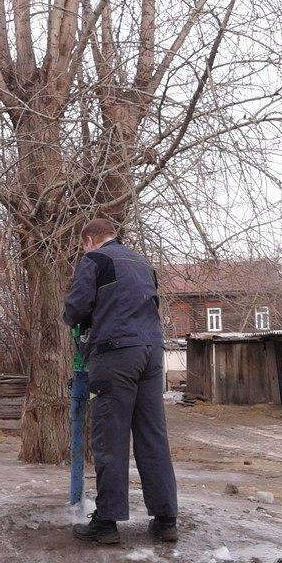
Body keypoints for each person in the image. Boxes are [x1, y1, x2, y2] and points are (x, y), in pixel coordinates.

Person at [63, 218, 179, 544]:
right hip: (152, 353)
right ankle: (166, 519)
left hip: (116, 355)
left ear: (89, 241)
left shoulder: (95, 260)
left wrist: (77, 318)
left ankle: (107, 521)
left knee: (110, 438)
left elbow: (76, 307)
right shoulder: (142, 263)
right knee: (152, 435)